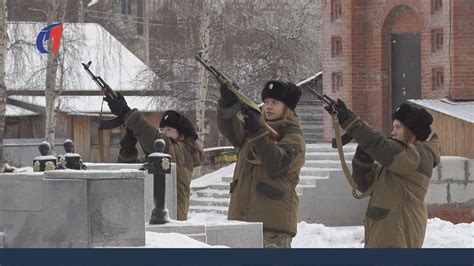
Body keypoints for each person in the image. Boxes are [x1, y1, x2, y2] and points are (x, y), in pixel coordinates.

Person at [327, 100, 440, 248]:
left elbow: (382, 146)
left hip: (397, 238)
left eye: (398, 127)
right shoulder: (399, 162)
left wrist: (351, 122)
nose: (393, 132)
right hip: (383, 237)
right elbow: (364, 185)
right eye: (393, 127)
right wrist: (363, 156)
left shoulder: (418, 156)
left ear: (412, 132)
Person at [217, 81, 306, 248]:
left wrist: (258, 132)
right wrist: (227, 103)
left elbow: (277, 165)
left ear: (288, 107)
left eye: (275, 103)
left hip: (272, 229)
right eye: (266, 102)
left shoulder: (293, 136)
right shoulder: (256, 131)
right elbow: (231, 130)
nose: (269, 107)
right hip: (242, 223)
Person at [105, 94, 204, 221]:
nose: (163, 132)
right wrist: (128, 150)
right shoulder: (162, 157)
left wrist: (126, 113)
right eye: (161, 129)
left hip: (173, 219)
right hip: (151, 217)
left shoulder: (182, 152)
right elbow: (131, 176)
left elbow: (154, 138)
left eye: (169, 129)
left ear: (181, 135)